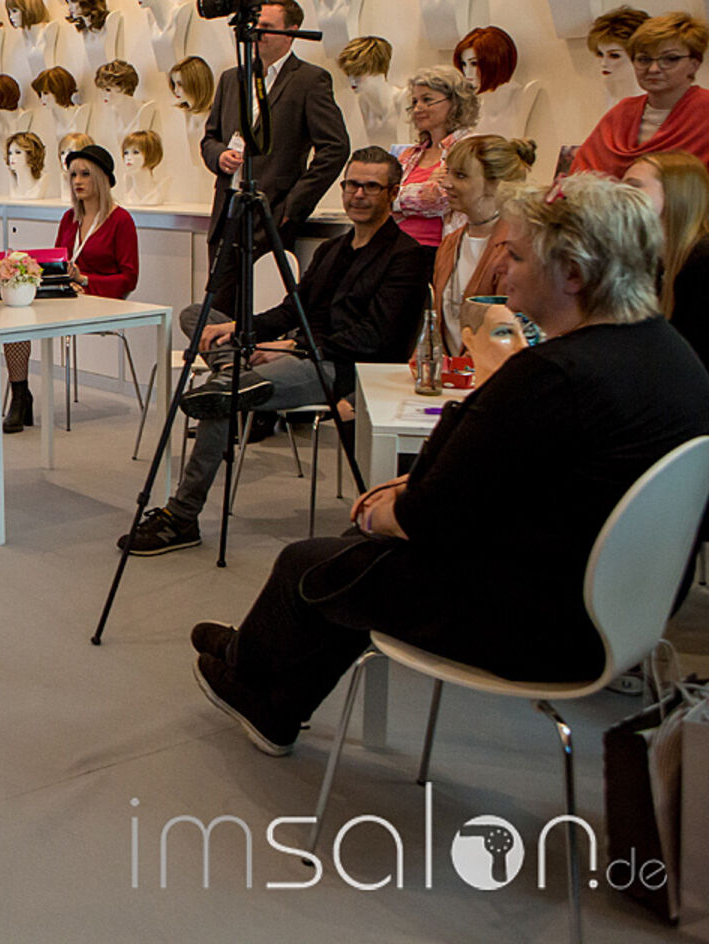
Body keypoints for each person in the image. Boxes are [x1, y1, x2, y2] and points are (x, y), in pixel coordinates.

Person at [190, 175, 709, 755]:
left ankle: (250, 676)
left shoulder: (552, 374)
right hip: (625, 610)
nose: (501, 268)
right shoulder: (672, 355)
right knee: (352, 559)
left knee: (314, 560)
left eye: (517, 256)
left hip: (542, 625)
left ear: (574, 274)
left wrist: (386, 507)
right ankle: (265, 683)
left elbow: (428, 517)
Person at [123, 148, 430, 556]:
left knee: (221, 394)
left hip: (342, 367)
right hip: (301, 354)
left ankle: (182, 516)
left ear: (392, 193)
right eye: (352, 184)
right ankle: (236, 368)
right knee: (196, 315)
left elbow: (377, 339)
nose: (358, 194)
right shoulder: (332, 250)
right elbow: (291, 310)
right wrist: (240, 330)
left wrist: (292, 347)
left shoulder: (407, 257)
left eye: (371, 187)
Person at [0, 146, 138, 434]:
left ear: (102, 177)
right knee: (12, 300)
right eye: (73, 175)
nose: (77, 181)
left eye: (85, 174)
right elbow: (58, 260)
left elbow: (129, 278)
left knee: (16, 311)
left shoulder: (121, 220)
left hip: (100, 298)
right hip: (66, 294)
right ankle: (17, 393)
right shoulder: (69, 218)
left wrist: (85, 280)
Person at [200, 0, 349, 310]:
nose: (257, 34)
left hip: (272, 215)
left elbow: (335, 148)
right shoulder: (231, 79)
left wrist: (295, 204)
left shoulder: (309, 80)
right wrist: (219, 156)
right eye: (254, 26)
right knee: (218, 309)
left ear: (291, 32)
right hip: (228, 212)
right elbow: (210, 138)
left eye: (266, 27)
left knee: (262, 308)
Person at [570, 11, 709, 176]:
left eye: (670, 59)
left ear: (694, 64)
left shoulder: (704, 111)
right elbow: (580, 175)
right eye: (644, 59)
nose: (654, 69)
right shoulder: (622, 113)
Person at [431, 135, 535, 355]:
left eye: (460, 175)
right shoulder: (449, 243)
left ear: (495, 184)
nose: (446, 183)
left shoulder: (517, 248)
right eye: (448, 172)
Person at [623, 151, 709, 366]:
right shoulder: (657, 262)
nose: (619, 195)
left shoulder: (703, 262)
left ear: (674, 194)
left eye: (634, 186)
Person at [391, 66, 480, 249]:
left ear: (455, 103)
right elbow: (381, 197)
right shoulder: (410, 154)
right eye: (414, 101)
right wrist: (424, 188)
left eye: (427, 100)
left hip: (442, 251)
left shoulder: (468, 148)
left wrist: (397, 197)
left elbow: (439, 199)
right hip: (396, 247)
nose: (418, 108)